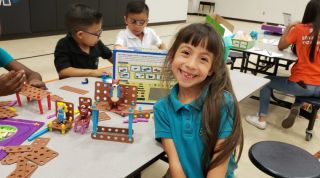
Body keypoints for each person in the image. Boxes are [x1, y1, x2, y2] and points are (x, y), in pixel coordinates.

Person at [154, 23, 243, 178]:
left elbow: (219, 167)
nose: (191, 65)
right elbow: (175, 166)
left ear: (212, 69)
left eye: (203, 59)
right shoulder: (161, 109)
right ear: (172, 55)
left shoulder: (223, 103)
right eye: (186, 52)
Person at [246, 0, 320, 130]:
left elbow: (281, 46)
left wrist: (289, 27)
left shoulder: (300, 29)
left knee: (266, 81)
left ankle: (261, 119)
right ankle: (297, 106)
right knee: (305, 86)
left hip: (303, 84)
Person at [54, 3, 112, 79]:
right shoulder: (63, 44)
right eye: (97, 33)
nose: (99, 36)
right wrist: (92, 72)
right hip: (71, 87)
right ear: (80, 34)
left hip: (90, 84)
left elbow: (111, 56)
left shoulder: (96, 43)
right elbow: (63, 71)